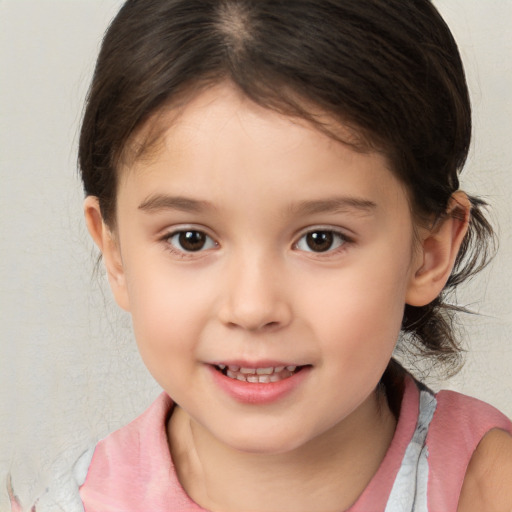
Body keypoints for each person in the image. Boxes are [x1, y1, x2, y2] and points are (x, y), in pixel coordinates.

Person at [73, 0, 512, 510]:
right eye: (190, 239)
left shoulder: (489, 489)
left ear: (429, 253)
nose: (254, 308)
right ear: (116, 253)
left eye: (320, 239)